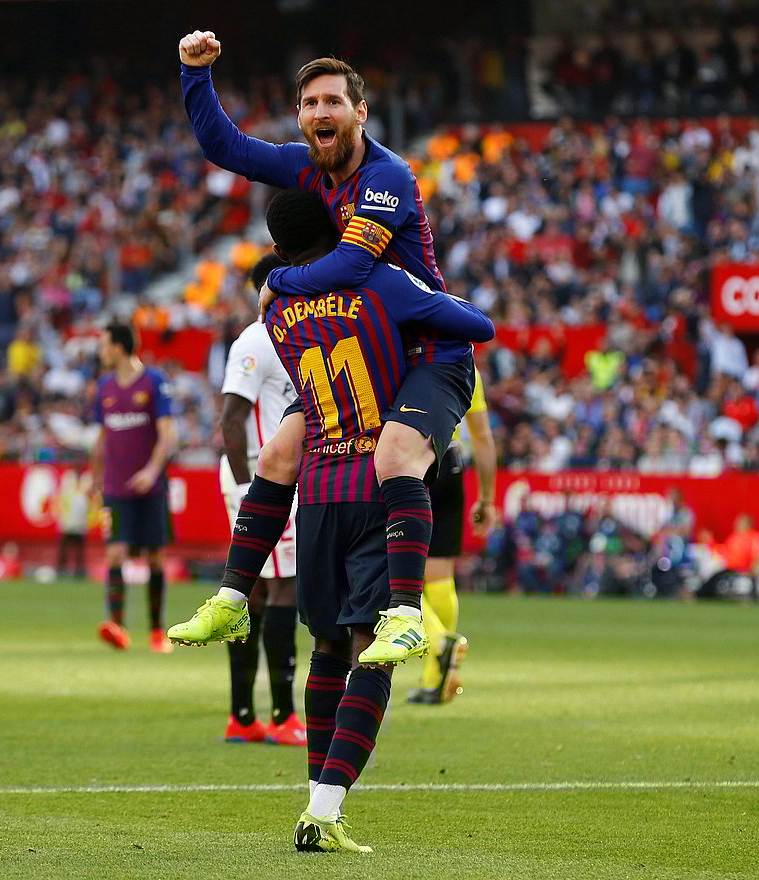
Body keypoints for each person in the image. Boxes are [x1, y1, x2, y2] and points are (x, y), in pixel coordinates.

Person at [174, 189, 493, 852]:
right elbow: (475, 325)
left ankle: (233, 597)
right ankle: (325, 808)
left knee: (324, 647)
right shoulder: (378, 282)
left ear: (283, 250)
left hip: (317, 485)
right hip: (378, 484)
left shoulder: (282, 309)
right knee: (373, 650)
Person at [178, 31, 478, 664]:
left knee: (396, 453)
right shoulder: (304, 167)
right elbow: (222, 145)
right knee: (279, 454)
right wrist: (194, 75)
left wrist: (276, 282)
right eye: (310, 103)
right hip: (363, 356)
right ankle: (233, 599)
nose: (321, 112)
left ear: (359, 112)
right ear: (300, 114)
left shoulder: (386, 176)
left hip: (428, 352)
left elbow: (349, 264)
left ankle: (403, 615)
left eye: (333, 102)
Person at [217, 254, 305, 746]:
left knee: (251, 594)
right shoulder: (257, 340)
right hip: (261, 480)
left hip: (271, 478)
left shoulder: (288, 337)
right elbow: (231, 417)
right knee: (283, 588)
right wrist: (249, 488)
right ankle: (281, 716)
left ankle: (244, 717)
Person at [407, 367, 497, 705]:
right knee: (440, 576)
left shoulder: (410, 352)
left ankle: (441, 640)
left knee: (388, 570)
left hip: (412, 458)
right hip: (452, 462)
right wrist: (487, 498)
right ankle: (437, 679)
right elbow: (484, 437)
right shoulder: (467, 365)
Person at [90, 323, 177, 652]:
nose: (100, 352)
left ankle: (157, 631)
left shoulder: (155, 381)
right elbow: (102, 437)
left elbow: (168, 434)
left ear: (119, 347)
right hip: (115, 486)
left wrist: (152, 471)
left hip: (150, 487)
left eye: (104, 345)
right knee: (115, 552)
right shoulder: (104, 387)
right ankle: (117, 626)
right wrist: (93, 476)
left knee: (155, 557)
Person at [54, 466, 90, 579]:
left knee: (79, 547)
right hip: (68, 519)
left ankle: (79, 570)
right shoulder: (68, 478)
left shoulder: (86, 479)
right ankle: (61, 569)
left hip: (80, 519)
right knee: (64, 546)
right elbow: (63, 496)